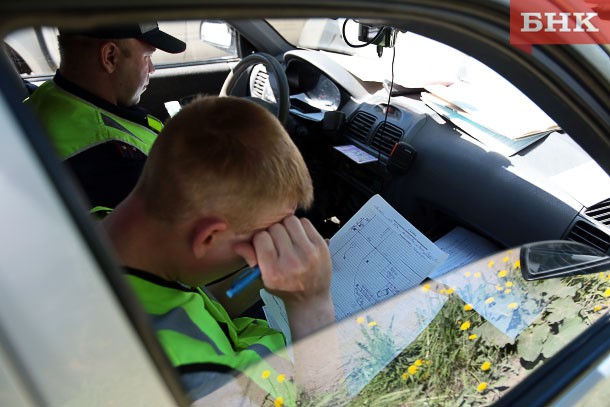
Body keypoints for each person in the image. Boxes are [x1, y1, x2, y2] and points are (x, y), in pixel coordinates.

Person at [102, 95, 342, 404]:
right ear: (207, 238)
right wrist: (312, 306)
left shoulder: (104, 228)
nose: (273, 244)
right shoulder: (197, 379)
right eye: (264, 237)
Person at [24, 22, 186, 212]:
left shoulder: (49, 96)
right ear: (110, 57)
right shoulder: (117, 166)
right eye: (147, 57)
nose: (152, 69)